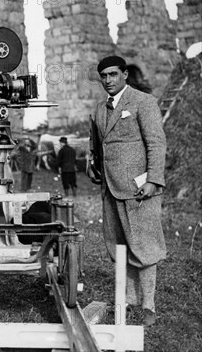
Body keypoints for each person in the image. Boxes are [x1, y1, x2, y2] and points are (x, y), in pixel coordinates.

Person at [90, 55, 166, 327]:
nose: (108, 80)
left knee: (143, 246)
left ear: (125, 75)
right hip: (111, 189)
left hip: (139, 188)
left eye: (113, 74)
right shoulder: (99, 109)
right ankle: (128, 301)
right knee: (119, 246)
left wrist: (153, 180)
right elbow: (97, 147)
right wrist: (93, 166)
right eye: (103, 76)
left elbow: (156, 143)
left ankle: (148, 306)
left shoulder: (143, 102)